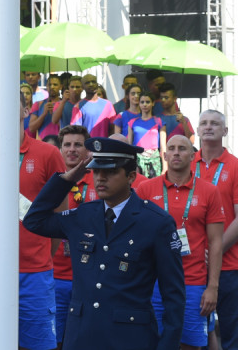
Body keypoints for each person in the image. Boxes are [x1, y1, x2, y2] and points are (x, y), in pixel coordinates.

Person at [23, 137, 186, 350]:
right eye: (97, 171)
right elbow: (34, 220)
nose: (100, 177)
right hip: (82, 338)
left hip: (130, 340)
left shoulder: (156, 222)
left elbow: (173, 295)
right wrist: (66, 179)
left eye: (110, 172)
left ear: (131, 176)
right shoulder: (83, 215)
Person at [0, 113, 66, 350]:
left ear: (25, 111)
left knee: (36, 345)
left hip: (34, 273)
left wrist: (39, 253)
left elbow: (58, 219)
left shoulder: (48, 154)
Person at [137, 134, 224, 350]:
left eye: (182, 148)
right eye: (172, 148)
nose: (176, 152)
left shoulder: (209, 191)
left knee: (189, 345)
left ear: (193, 156)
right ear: (165, 155)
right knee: (152, 342)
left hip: (192, 283)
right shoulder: (146, 189)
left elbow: (216, 242)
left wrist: (212, 287)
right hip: (153, 282)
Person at [193, 110, 238, 350]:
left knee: (231, 333)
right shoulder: (187, 163)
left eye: (214, 123)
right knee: (194, 334)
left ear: (225, 131)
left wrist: (214, 250)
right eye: (204, 123)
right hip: (192, 265)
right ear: (198, 130)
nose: (208, 127)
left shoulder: (236, 166)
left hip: (229, 264)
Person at [52, 125, 96, 347]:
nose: (71, 149)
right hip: (54, 277)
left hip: (89, 278)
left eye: (78, 145)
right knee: (54, 341)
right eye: (67, 145)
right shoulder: (50, 184)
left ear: (88, 151)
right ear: (60, 149)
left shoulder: (100, 182)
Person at [126, 92, 164, 178]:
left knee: (154, 184)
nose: (145, 104)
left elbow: (163, 147)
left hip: (155, 160)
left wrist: (165, 167)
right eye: (142, 102)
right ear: (139, 104)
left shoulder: (159, 121)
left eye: (148, 102)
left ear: (153, 103)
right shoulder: (132, 122)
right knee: (138, 183)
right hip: (138, 160)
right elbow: (129, 145)